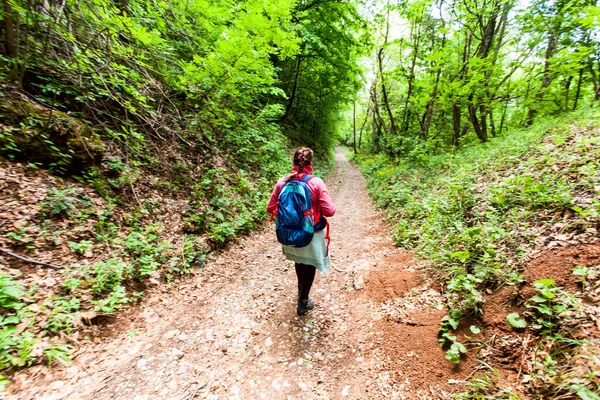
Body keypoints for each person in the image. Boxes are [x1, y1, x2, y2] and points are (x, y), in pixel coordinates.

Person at [267, 147, 336, 315]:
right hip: (310, 234)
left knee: (299, 262)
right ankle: (303, 301)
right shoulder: (316, 182)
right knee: (309, 264)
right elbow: (330, 211)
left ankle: (301, 295)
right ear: (311, 163)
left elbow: (270, 208)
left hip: (289, 233)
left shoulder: (282, 182)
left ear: (293, 162)